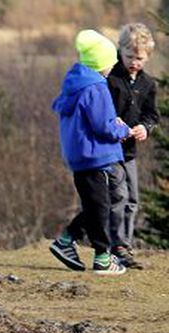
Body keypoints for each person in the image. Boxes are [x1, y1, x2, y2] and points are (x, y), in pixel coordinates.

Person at [49, 29, 136, 276]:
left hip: (80, 156)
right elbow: (103, 126)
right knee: (100, 205)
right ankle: (102, 257)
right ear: (101, 64)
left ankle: (67, 241)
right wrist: (123, 129)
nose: (112, 68)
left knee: (97, 203)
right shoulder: (96, 86)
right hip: (95, 155)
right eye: (110, 63)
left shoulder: (76, 83)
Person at [106, 23, 160, 269]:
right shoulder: (111, 76)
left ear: (147, 57)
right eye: (129, 56)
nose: (133, 62)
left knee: (133, 199)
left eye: (139, 58)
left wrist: (145, 128)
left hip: (129, 152)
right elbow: (100, 108)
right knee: (119, 195)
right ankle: (115, 245)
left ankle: (125, 245)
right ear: (121, 51)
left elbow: (152, 116)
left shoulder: (148, 84)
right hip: (109, 149)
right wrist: (110, 121)